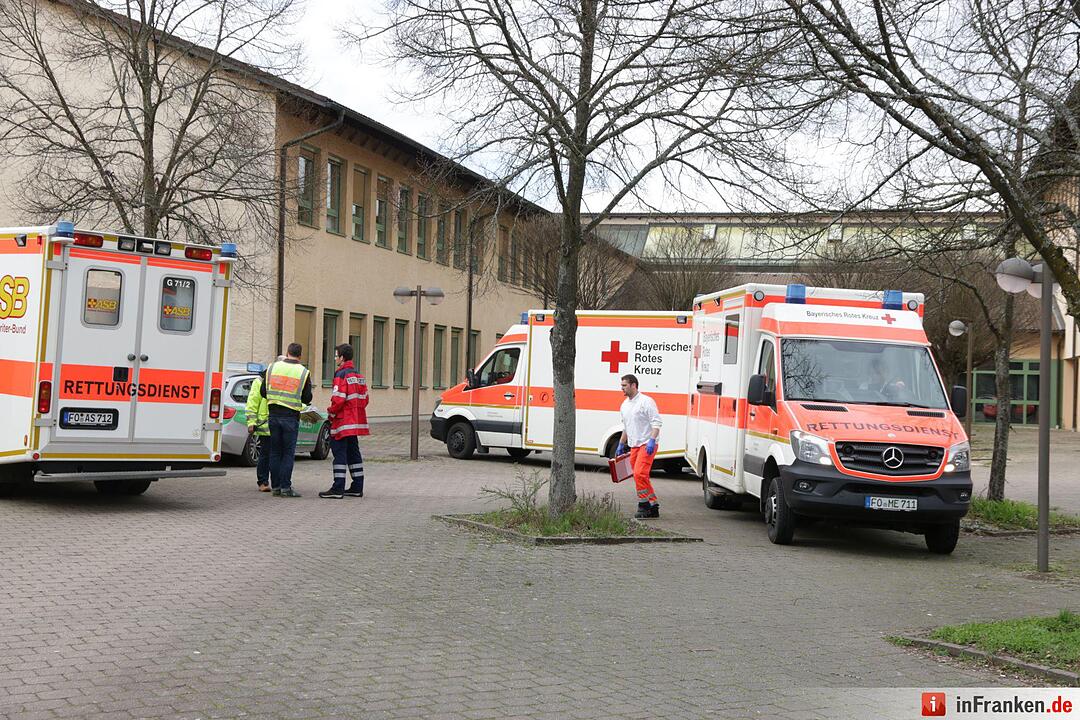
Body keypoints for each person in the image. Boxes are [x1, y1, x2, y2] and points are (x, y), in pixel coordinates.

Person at [260, 343, 313, 498]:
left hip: (273, 415)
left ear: (287, 352)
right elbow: (307, 398)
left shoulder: (272, 367)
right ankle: (286, 488)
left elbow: (263, 392)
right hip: (290, 417)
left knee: (275, 452)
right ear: (300, 355)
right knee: (288, 453)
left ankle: (275, 487)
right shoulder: (303, 372)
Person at [319, 344, 370, 499]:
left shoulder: (341, 375)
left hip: (342, 422)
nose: (335, 358)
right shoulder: (358, 376)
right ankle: (357, 486)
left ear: (342, 357)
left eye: (336, 355)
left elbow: (339, 399)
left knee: (339, 453)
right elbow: (365, 399)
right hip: (355, 423)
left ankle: (338, 488)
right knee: (354, 453)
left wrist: (331, 412)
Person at [616, 373, 662, 519]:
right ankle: (653, 505)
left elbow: (656, 422)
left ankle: (643, 505)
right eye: (621, 385)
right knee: (641, 476)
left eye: (624, 385)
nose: (621, 388)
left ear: (633, 385)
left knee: (639, 473)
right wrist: (621, 444)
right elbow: (626, 427)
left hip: (646, 444)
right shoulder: (624, 405)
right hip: (634, 445)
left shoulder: (646, 401)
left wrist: (652, 440)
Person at [245, 369, 272, 492]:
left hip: (276, 424)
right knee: (265, 455)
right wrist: (251, 422)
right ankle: (263, 482)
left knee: (275, 455)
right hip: (265, 424)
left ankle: (278, 482)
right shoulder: (260, 381)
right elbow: (253, 402)